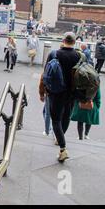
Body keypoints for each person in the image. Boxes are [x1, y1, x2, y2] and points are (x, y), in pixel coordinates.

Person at [43, 32, 81, 162]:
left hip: (56, 93)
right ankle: (60, 139)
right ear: (74, 42)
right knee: (66, 117)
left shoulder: (54, 54)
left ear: (63, 40)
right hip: (72, 94)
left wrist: (42, 91)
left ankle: (63, 148)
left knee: (55, 120)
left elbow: (45, 74)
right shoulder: (79, 56)